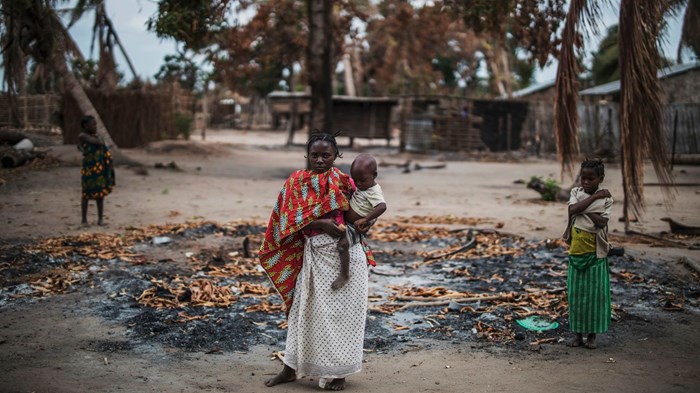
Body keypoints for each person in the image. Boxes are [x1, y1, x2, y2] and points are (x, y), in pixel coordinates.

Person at [259, 132, 376, 391]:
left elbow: (365, 211)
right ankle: (290, 369)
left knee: (344, 317)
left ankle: (339, 373)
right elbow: (285, 222)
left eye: (326, 155)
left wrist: (363, 222)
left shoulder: (346, 182)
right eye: (315, 155)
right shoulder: (296, 182)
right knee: (303, 313)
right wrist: (320, 222)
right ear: (307, 156)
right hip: (315, 256)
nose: (320, 160)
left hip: (347, 255)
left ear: (336, 156)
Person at [563, 158, 613, 349]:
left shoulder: (607, 199)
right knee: (576, 296)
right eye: (583, 178)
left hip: (596, 256)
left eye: (591, 179)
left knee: (594, 297)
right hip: (576, 254)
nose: (586, 182)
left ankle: (591, 337)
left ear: (600, 178)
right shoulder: (576, 192)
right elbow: (572, 210)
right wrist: (593, 200)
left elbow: (602, 223)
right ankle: (577, 336)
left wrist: (582, 209)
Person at [332, 154, 386, 290]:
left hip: (354, 227)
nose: (359, 184)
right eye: (355, 180)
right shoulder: (362, 187)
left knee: (343, 245)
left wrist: (366, 219)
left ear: (374, 175)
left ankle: (344, 274)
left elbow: (382, 207)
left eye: (362, 180)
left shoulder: (374, 191)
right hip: (348, 222)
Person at [78, 115, 115, 226]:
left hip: (99, 169)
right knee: (86, 194)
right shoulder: (83, 136)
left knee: (100, 194)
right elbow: (97, 143)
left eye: (96, 124)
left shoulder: (97, 136)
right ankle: (84, 220)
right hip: (88, 170)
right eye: (93, 124)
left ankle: (100, 219)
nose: (95, 126)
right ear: (85, 126)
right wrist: (100, 140)